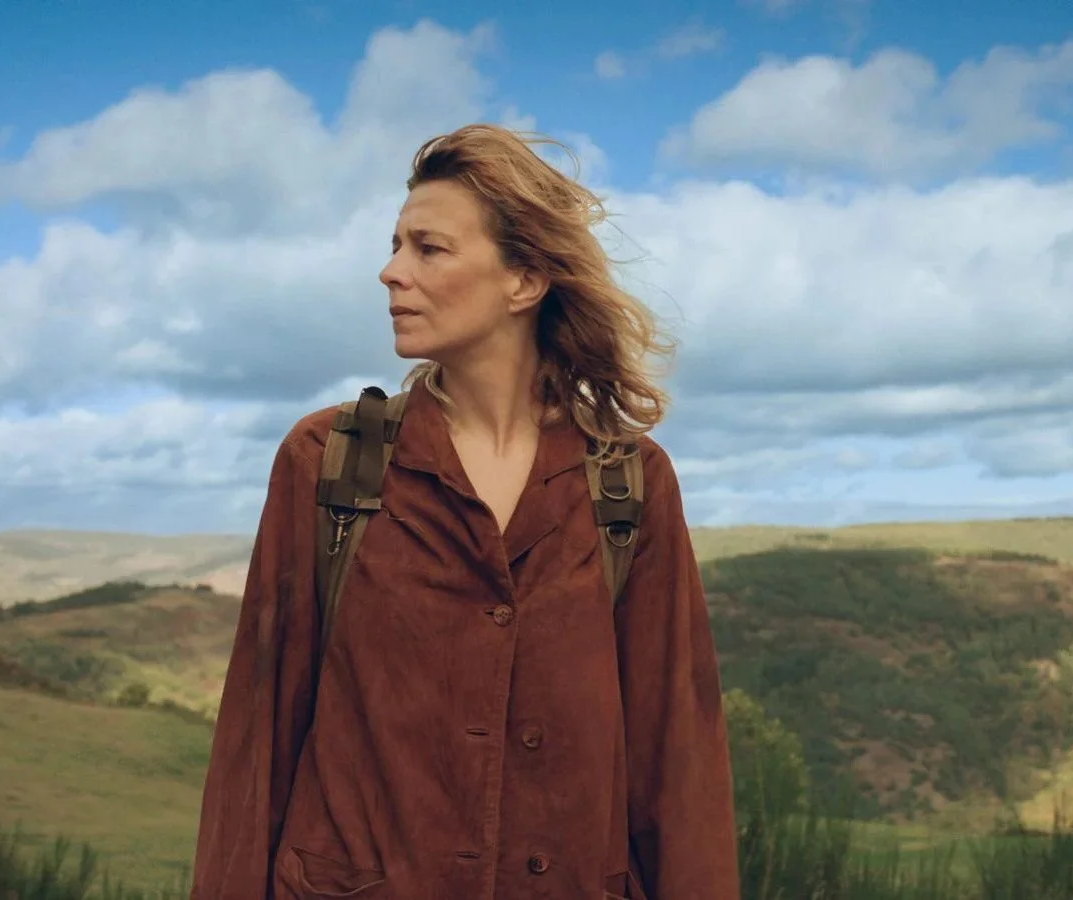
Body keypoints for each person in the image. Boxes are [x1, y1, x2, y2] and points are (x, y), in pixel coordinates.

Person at [190, 124, 740, 899]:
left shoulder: (628, 485)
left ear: (524, 281)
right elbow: (257, 744)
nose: (390, 272)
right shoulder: (330, 465)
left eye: (429, 249)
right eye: (394, 245)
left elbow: (677, 768)